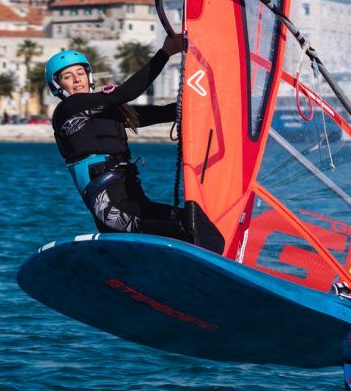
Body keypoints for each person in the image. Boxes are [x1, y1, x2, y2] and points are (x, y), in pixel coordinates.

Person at [46, 37, 223, 250]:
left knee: (193, 223)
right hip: (113, 209)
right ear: (57, 86)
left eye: (80, 73)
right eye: (67, 76)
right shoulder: (68, 109)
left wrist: (213, 98)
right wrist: (165, 52)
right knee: (191, 231)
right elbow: (128, 92)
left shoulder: (106, 110)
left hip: (132, 198)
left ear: (88, 76)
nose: (76, 80)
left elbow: (161, 113)